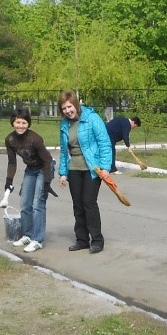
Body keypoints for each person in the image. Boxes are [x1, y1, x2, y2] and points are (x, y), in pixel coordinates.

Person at [57, 90, 113, 254]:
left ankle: (97, 240)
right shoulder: (65, 124)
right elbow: (63, 151)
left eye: (69, 107)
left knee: (89, 202)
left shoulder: (92, 118)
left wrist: (105, 167)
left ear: (76, 104)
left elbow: (104, 143)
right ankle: (81, 240)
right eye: (64, 108)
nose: (68, 111)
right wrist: (63, 173)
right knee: (78, 205)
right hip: (74, 168)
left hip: (92, 168)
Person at [3, 106, 56, 253]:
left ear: (28, 124)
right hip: (31, 169)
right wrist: (9, 181)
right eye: (18, 122)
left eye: (24, 123)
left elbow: (47, 160)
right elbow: (12, 163)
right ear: (13, 122)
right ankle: (28, 235)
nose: (20, 126)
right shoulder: (10, 139)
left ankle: (37, 240)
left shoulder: (35, 139)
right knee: (25, 203)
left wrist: (47, 182)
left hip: (45, 168)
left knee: (38, 204)